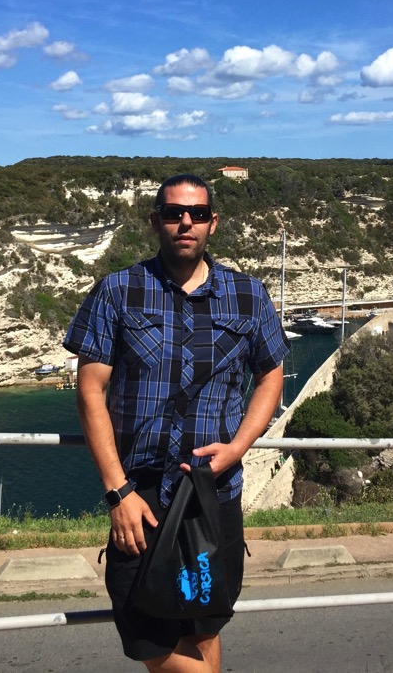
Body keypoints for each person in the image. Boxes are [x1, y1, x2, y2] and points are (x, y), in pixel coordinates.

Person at [64, 173, 288, 672]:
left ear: (213, 223)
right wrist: (117, 492)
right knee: (145, 631)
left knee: (205, 624)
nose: (185, 222)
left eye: (198, 214)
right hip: (140, 498)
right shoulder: (118, 291)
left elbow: (271, 377)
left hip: (213, 498)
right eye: (173, 213)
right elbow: (89, 391)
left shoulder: (248, 296)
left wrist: (239, 447)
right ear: (156, 221)